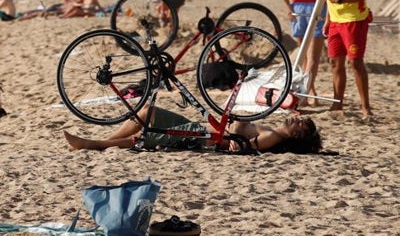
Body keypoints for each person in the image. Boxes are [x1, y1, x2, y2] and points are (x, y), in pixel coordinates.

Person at [63, 106, 322, 154]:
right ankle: (102, 142)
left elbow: (242, 149)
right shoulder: (270, 128)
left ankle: (94, 144)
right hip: (200, 129)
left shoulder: (272, 137)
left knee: (146, 136)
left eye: (302, 125)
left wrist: (236, 146)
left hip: (204, 139)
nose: (297, 120)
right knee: (147, 113)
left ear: (298, 136)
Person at [315, 0, 374, 117]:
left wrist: (341, 0)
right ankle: (337, 104)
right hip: (335, 22)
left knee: (355, 63)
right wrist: (327, 20)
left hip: (353, 21)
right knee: (335, 63)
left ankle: (365, 107)